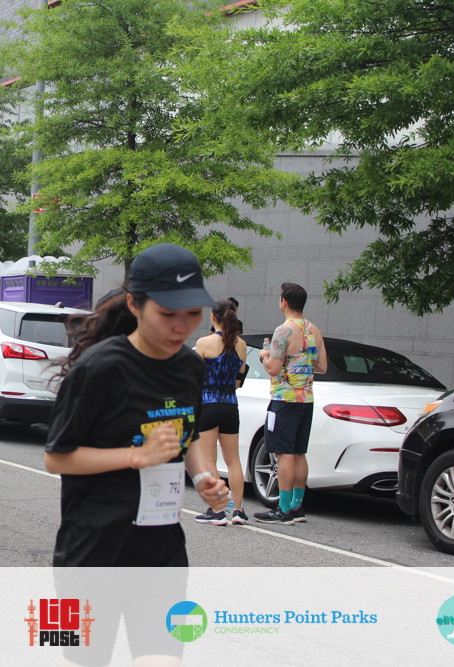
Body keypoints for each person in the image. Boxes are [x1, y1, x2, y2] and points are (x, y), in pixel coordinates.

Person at [44, 244, 228, 665]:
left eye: (193, 313)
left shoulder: (190, 366)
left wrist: (203, 477)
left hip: (162, 552)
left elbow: (187, 434)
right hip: (91, 553)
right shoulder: (98, 368)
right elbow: (56, 458)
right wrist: (134, 457)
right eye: (168, 313)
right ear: (135, 304)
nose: (181, 326)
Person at [254, 282, 328, 525]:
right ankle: (297, 506)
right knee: (298, 453)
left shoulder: (283, 330)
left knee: (283, 453)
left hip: (284, 398)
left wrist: (264, 356)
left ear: (283, 302)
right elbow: (322, 366)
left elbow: (273, 368)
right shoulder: (314, 330)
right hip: (306, 399)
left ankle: (283, 509)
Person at [192, 299, 249, 525]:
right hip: (230, 404)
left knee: (209, 460)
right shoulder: (241, 344)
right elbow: (240, 374)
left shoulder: (204, 343)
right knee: (233, 460)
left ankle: (217, 511)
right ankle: (238, 510)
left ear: (212, 317)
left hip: (208, 403)